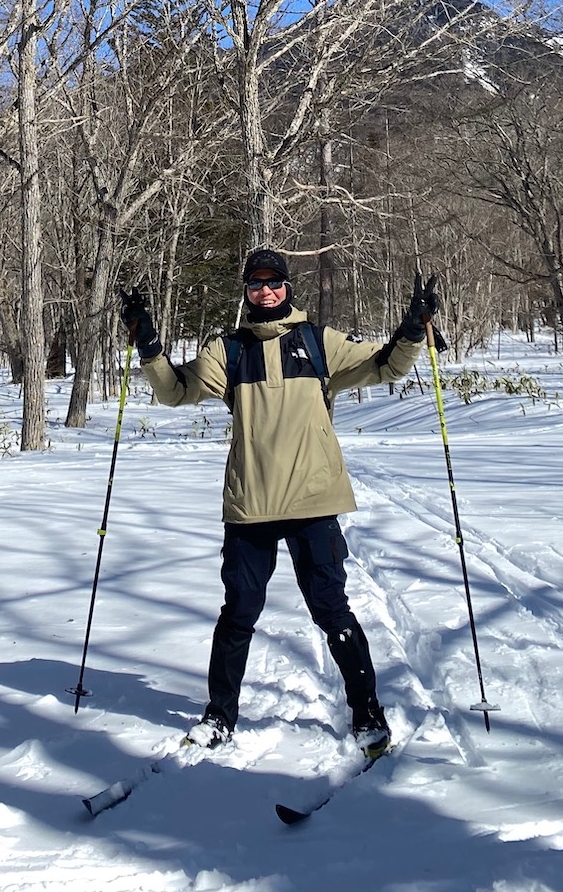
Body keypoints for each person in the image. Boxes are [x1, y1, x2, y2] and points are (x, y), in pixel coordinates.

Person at [119, 248, 442, 758]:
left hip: (314, 500)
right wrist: (150, 345)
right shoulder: (227, 350)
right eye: (255, 284)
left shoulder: (318, 342)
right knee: (238, 614)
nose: (265, 291)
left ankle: (367, 714)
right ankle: (219, 717)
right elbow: (175, 392)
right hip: (252, 505)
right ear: (246, 291)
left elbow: (386, 368)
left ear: (288, 288)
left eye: (273, 283)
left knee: (332, 610)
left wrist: (411, 331)